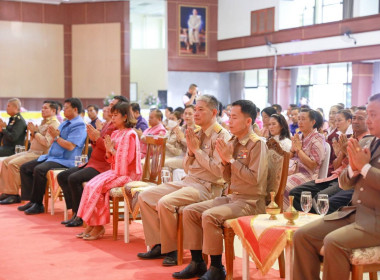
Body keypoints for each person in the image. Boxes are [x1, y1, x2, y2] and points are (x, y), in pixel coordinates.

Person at [172, 100, 267, 280]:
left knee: (210, 215)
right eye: (229, 116)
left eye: (234, 117)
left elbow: (255, 180)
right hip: (233, 197)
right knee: (190, 211)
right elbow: (228, 178)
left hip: (251, 201)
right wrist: (225, 163)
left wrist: (230, 161)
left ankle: (216, 268)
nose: (229, 121)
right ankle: (197, 262)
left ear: (248, 121)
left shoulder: (257, 144)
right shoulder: (232, 141)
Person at [293, 93, 380, 280]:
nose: (368, 120)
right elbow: (343, 182)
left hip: (376, 220)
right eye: (368, 114)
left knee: (333, 242)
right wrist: (353, 171)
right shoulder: (366, 142)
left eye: (373, 115)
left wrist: (364, 167)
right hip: (354, 213)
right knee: (302, 236)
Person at [137, 95, 230, 266]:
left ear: (214, 112)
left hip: (208, 187)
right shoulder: (195, 133)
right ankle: (159, 243)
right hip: (189, 181)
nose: (196, 113)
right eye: (195, 109)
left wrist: (197, 151)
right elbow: (187, 167)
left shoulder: (222, 135)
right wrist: (193, 152)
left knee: (165, 203)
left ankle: (172, 249)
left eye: (201, 109)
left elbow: (219, 172)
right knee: (146, 196)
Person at [76, 102, 141, 240]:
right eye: (112, 115)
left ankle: (99, 225)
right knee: (89, 185)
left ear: (125, 117)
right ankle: (91, 223)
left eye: (115, 115)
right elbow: (110, 160)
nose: (112, 119)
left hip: (127, 175)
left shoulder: (130, 135)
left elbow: (126, 161)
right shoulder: (117, 133)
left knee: (98, 188)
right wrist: (108, 151)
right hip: (115, 171)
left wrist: (111, 150)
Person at [56, 97, 124, 227]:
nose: (109, 108)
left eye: (112, 106)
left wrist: (97, 137)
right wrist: (95, 137)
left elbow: (109, 150)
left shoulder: (116, 128)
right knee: (63, 176)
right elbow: (99, 144)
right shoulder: (107, 124)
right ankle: (75, 211)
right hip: (93, 162)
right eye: (109, 106)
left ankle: (81, 215)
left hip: (104, 166)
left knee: (73, 178)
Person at [290, 108, 369, 214]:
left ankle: (315, 226)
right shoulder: (348, 139)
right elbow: (336, 167)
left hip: (349, 181)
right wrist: (341, 154)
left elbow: (360, 170)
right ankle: (304, 224)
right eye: (354, 118)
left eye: (360, 119)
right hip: (335, 177)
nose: (355, 121)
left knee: (320, 199)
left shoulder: (369, 140)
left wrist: (298, 150)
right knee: (295, 192)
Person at [17, 98, 87, 215]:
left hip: (66, 160)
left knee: (39, 170)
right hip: (53, 157)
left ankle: (38, 204)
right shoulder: (65, 122)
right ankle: (32, 200)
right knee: (25, 168)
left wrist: (56, 137)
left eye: (66, 108)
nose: (63, 110)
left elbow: (70, 146)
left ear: (75, 109)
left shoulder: (79, 125)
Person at [0, 101, 60, 204]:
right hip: (32, 151)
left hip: (41, 154)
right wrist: (33, 134)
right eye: (42, 108)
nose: (42, 110)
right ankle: (7, 192)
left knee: (12, 164)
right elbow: (34, 141)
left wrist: (35, 132)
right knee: (6, 161)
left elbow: (46, 143)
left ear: (53, 110)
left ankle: (14, 194)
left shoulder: (54, 124)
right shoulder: (44, 122)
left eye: (45, 108)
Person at [284, 109, 325, 209]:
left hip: (309, 175)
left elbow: (312, 165)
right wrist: (293, 150)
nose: (300, 122)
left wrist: (298, 150)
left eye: (303, 119)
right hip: (295, 171)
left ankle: (287, 213)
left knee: (284, 186)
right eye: (299, 119)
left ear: (313, 122)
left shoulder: (318, 138)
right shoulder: (299, 136)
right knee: (275, 181)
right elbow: (290, 156)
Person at [165, 105, 197, 170]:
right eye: (185, 114)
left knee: (165, 163)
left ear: (195, 115)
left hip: (192, 158)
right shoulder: (183, 128)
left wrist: (182, 139)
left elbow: (193, 147)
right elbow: (180, 147)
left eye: (190, 114)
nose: (187, 116)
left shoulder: (197, 128)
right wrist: (179, 141)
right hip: (182, 155)